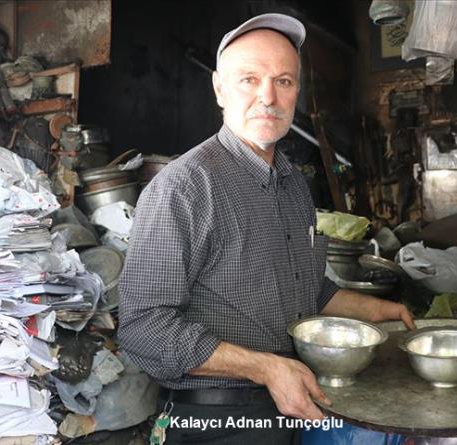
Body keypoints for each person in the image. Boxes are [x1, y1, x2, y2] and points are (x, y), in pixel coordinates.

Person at [118, 13, 415, 444]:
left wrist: (383, 312)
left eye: (284, 81)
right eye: (249, 80)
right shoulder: (183, 188)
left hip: (292, 400)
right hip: (219, 420)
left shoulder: (293, 182)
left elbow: (304, 291)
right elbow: (144, 328)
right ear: (219, 88)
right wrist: (265, 367)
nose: (268, 97)